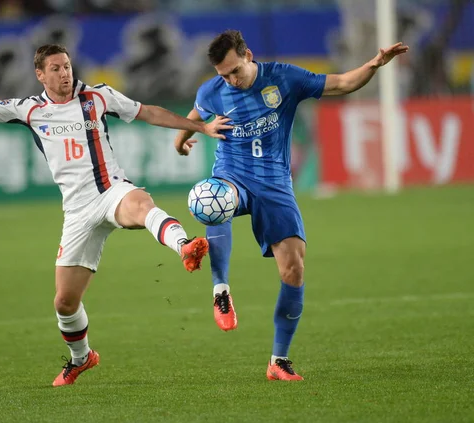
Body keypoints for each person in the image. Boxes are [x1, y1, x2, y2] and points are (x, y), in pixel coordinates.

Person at [0, 43, 233, 387]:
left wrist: (201, 128)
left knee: (140, 204)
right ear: (40, 74)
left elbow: (148, 112)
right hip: (76, 212)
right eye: (55, 68)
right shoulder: (29, 109)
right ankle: (82, 358)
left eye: (67, 66)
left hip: (110, 190)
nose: (65, 73)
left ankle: (185, 246)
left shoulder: (98, 96)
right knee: (65, 302)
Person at [174, 30, 408, 381]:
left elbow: (342, 83)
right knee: (211, 199)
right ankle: (220, 290)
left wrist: (374, 64)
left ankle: (278, 361)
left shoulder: (284, 78)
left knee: (294, 268)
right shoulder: (213, 91)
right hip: (232, 177)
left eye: (235, 71)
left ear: (248, 55)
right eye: (224, 75)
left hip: (274, 184)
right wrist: (185, 140)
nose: (231, 81)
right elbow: (193, 117)